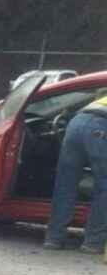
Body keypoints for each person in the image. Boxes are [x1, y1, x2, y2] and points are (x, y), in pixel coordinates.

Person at [44, 88, 107, 253]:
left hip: (76, 123)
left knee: (65, 184)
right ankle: (93, 242)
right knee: (104, 187)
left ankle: (53, 239)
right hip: (101, 127)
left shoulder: (100, 99)